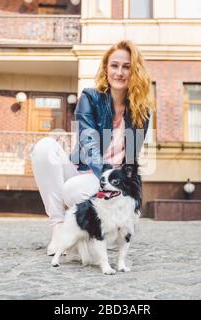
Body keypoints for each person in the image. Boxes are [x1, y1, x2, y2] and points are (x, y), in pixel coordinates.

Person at [30, 40, 154, 256]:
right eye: (114, 65)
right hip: (85, 168)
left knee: (74, 189)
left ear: (134, 72)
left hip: (109, 183)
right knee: (44, 148)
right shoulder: (90, 98)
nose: (120, 72)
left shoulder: (140, 113)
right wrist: (104, 170)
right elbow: (88, 141)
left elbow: (131, 161)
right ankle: (59, 228)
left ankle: (93, 230)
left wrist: (133, 203)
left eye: (127, 67)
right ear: (106, 68)